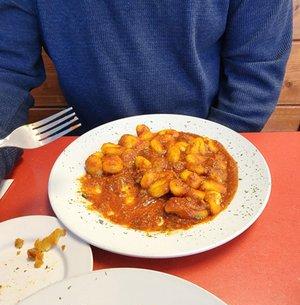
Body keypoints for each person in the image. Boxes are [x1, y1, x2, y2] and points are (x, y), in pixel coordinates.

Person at [0, 0, 292, 181]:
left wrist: (201, 167)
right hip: (87, 159)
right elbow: (6, 70)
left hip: (207, 147)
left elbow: (255, 70)